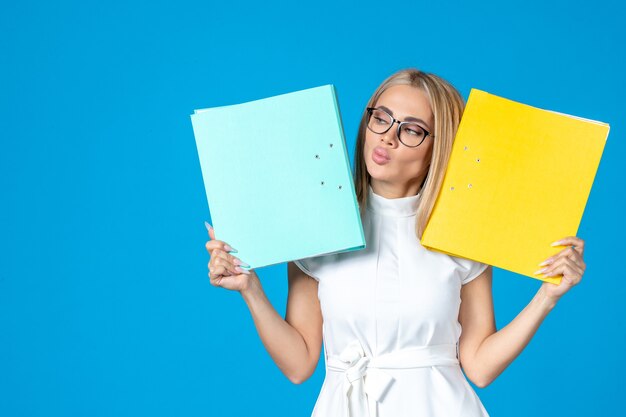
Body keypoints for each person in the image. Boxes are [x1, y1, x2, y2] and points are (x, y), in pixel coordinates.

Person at [203, 68, 587, 417]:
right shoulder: (320, 227)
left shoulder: (461, 233)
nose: (387, 135)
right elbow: (300, 363)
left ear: (439, 147)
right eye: (381, 117)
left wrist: (547, 297)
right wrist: (249, 289)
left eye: (412, 128)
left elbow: (480, 368)